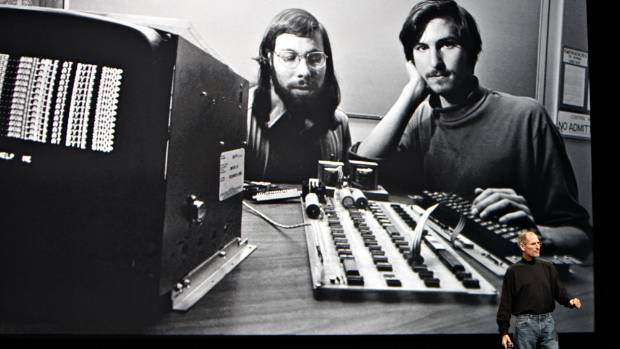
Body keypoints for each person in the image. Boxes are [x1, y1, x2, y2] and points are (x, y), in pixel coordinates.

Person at [351, 0, 591, 259]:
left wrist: (536, 236)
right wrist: (411, 94)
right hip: (443, 268)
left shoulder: (527, 117)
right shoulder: (421, 116)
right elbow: (362, 169)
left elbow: (580, 238)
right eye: (422, 48)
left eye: (447, 44)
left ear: (471, 52)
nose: (435, 62)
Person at [246, 8, 351, 183]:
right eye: (289, 57)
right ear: (269, 58)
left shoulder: (339, 124)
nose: (304, 71)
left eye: (315, 58)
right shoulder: (239, 119)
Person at [497, 231, 581, 349]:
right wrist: (504, 332)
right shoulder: (513, 271)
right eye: (533, 244)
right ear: (522, 246)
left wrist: (570, 301)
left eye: (539, 243)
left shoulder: (548, 267)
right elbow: (506, 302)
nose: (538, 246)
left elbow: (560, 292)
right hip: (525, 324)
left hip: (548, 322)